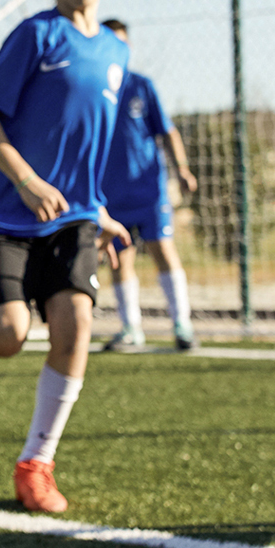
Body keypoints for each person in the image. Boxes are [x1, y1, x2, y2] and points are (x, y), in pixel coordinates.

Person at [0, 0, 133, 515]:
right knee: (6, 338)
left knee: (76, 324)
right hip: (9, 210)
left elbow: (86, 145)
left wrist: (99, 210)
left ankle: (37, 462)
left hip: (73, 218)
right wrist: (27, 180)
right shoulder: (36, 36)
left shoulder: (115, 52)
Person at [95, 18, 199, 354]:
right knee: (119, 260)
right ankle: (131, 328)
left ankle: (182, 325)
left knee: (163, 251)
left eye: (123, 43)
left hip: (148, 189)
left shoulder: (142, 85)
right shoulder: (93, 88)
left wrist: (181, 168)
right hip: (110, 194)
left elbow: (167, 131)